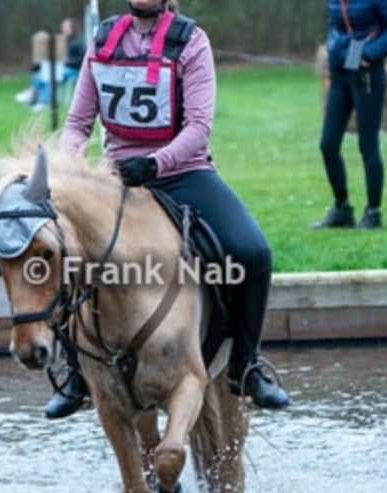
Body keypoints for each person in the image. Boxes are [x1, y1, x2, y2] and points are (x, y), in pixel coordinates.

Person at [44, 0, 290, 419]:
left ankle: (245, 366)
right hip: (114, 176)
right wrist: (70, 169)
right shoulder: (102, 39)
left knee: (253, 252)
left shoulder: (191, 40)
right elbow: (78, 123)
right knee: (61, 248)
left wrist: (156, 164)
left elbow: (198, 128)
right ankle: (75, 370)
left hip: (183, 173)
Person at [313, 0, 387, 230]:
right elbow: (337, 25)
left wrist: (369, 53)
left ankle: (373, 213)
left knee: (367, 145)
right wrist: (334, 50)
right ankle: (342, 209)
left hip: (367, 73)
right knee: (328, 144)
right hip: (340, 73)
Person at [15, 18, 86, 112]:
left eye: (66, 27)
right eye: (62, 27)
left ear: (73, 28)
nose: (63, 29)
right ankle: (33, 94)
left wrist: (65, 62)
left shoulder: (79, 42)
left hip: (73, 71)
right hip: (64, 68)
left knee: (50, 75)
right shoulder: (65, 40)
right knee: (41, 74)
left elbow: (82, 59)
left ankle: (45, 102)